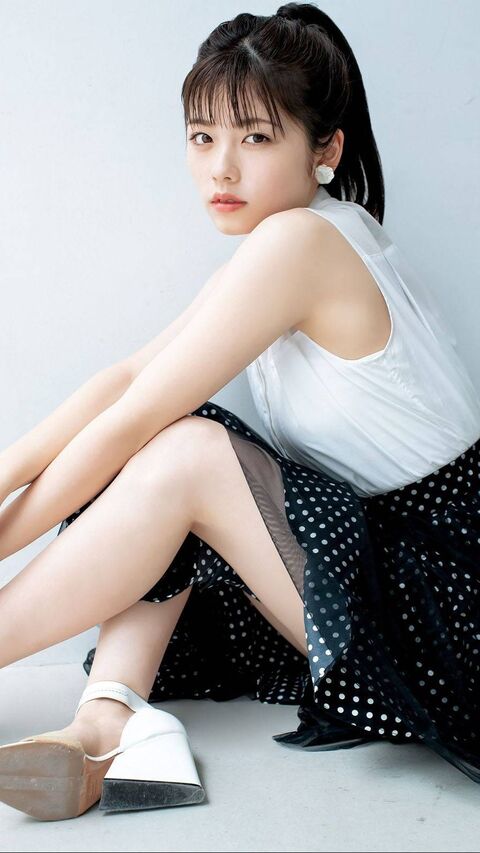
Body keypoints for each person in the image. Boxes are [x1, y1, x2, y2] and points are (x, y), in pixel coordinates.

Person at [0, 0, 479, 822]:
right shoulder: (300, 237)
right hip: (383, 570)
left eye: (255, 138)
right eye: (202, 137)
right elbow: (124, 378)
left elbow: (134, 415)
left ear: (325, 150)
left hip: (443, 605)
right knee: (184, 448)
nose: (221, 169)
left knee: (187, 451)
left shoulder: (303, 245)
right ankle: (105, 722)